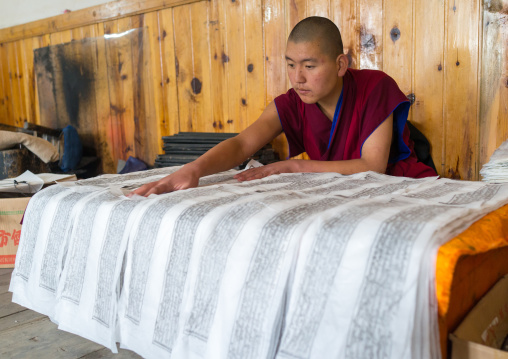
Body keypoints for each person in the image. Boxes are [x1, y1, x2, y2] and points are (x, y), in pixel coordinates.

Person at [131, 16, 436, 197]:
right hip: (340, 194)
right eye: (291, 65)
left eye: (310, 66)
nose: (298, 78)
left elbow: (373, 166)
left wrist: (293, 165)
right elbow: (241, 145)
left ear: (340, 64)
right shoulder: (291, 104)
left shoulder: (375, 87)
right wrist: (194, 169)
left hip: (399, 186)